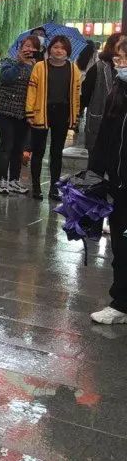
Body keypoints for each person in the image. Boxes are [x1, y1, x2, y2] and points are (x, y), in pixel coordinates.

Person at [88, 37, 127, 325]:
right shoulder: (118, 90)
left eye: (124, 59)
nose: (119, 64)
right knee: (121, 246)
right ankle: (121, 303)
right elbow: (105, 137)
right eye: (117, 59)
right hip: (119, 184)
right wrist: (94, 174)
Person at [26, 35, 81, 201]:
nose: (59, 50)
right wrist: (29, 112)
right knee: (38, 151)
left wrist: (75, 115)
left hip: (62, 114)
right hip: (42, 112)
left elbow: (76, 95)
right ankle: (36, 187)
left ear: (67, 51)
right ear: (50, 49)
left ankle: (54, 188)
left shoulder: (73, 69)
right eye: (56, 47)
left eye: (62, 48)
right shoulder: (40, 67)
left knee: (57, 153)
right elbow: (32, 91)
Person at [0, 36, 40, 196]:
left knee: (19, 148)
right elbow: (6, 78)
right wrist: (20, 63)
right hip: (6, 111)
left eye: (33, 47)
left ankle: (14, 180)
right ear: (21, 47)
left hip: (24, 113)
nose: (29, 49)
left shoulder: (37, 67)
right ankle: (2, 181)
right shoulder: (10, 61)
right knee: (6, 146)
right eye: (27, 45)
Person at [81, 32, 122, 152]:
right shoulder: (98, 68)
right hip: (100, 121)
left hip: (121, 123)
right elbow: (86, 94)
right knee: (98, 154)